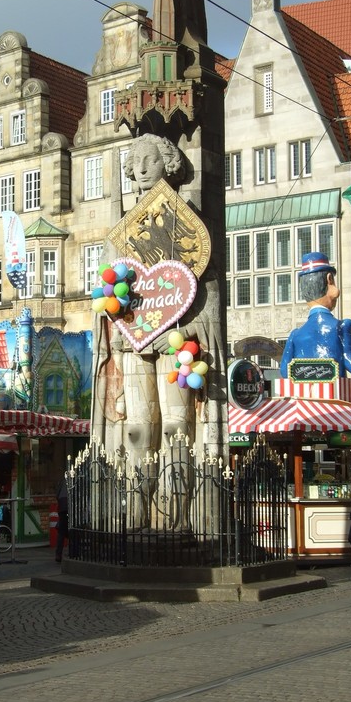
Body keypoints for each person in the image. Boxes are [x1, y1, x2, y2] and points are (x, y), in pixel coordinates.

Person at [92, 133, 226, 467]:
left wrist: (189, 329)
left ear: (167, 163)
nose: (140, 170)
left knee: (175, 428)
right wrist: (119, 326)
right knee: (137, 430)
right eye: (134, 163)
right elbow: (107, 291)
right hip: (136, 343)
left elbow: (209, 297)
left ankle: (179, 510)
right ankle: (136, 502)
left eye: (149, 160)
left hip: (175, 343)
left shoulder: (188, 221)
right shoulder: (124, 229)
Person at [279, 252, 351, 378]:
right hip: (334, 396)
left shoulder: (295, 334)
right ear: (329, 280)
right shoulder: (342, 327)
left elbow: (285, 372)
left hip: (305, 396)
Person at [55, 476, 69, 563]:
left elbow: (57, 494)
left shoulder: (63, 481)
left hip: (62, 506)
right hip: (69, 505)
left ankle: (58, 554)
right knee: (72, 529)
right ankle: (73, 551)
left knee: (61, 532)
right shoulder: (76, 480)